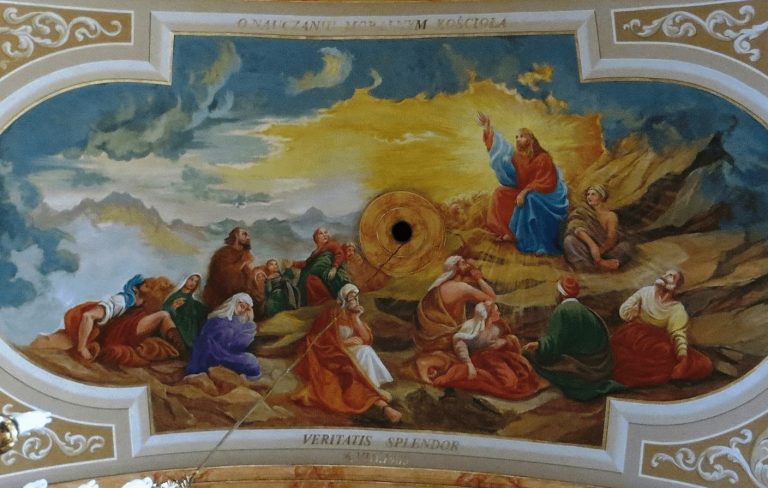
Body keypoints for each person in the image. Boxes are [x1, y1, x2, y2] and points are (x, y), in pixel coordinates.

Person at [292, 284, 401, 423]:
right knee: (359, 358)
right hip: (332, 354)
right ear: (343, 298)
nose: (354, 301)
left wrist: (356, 318)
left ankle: (372, 387)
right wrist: (343, 343)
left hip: (349, 352)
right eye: (351, 298)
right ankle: (373, 392)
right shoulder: (332, 314)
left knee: (366, 350)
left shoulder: (352, 315)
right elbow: (319, 339)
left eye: (356, 297)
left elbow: (366, 339)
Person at [476, 112, 568, 255]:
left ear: (531, 139)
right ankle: (508, 233)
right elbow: (501, 151)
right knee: (500, 193)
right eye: (517, 137)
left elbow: (547, 182)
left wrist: (525, 192)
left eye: (522, 136)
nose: (518, 139)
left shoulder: (543, 157)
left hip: (545, 195)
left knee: (530, 199)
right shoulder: (518, 157)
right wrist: (487, 128)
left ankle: (534, 243)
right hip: (525, 191)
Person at [523, 275, 625, 401]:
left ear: (561, 294)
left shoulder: (563, 310)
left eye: (556, 292)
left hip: (584, 368)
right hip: (600, 366)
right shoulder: (586, 310)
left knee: (530, 356)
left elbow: (555, 345)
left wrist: (539, 345)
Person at [610, 270, 713, 387]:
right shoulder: (645, 292)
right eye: (665, 274)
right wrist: (629, 313)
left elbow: (678, 334)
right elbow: (624, 309)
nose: (664, 276)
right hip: (632, 334)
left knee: (674, 354)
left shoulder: (676, 309)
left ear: (675, 286)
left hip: (655, 340)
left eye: (670, 276)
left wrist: (683, 358)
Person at [431, 302, 547, 400]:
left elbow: (510, 339)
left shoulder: (499, 325)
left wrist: (504, 342)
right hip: (481, 360)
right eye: (496, 311)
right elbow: (460, 345)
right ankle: (471, 375)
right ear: (488, 314)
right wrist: (469, 364)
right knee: (508, 384)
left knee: (521, 369)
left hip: (499, 356)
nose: (499, 313)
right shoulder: (471, 327)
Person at [64, 276, 184, 366]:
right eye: (147, 284)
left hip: (127, 331)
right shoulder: (121, 300)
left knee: (163, 315)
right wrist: (82, 347)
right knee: (163, 315)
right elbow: (88, 316)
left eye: (151, 286)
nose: (146, 284)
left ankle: (180, 349)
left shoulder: (142, 305)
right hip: (118, 334)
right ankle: (182, 351)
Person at [412, 255, 496, 384]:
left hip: (434, 337)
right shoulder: (461, 288)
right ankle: (425, 363)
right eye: (463, 263)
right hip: (445, 337)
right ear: (455, 268)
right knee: (462, 358)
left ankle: (433, 363)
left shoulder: (442, 286)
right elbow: (491, 298)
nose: (468, 264)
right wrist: (479, 279)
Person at [186, 293, 262, 379]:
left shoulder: (239, 322)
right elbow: (206, 342)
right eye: (242, 306)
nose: (243, 310)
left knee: (251, 361)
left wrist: (250, 321)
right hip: (211, 354)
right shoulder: (217, 319)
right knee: (249, 362)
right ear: (234, 303)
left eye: (246, 309)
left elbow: (240, 346)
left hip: (227, 354)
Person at [563, 185, 632, 271]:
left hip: (606, 250)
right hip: (588, 247)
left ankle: (603, 263)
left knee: (626, 247)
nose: (589, 197)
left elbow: (611, 238)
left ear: (601, 197)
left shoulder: (610, 215)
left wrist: (599, 252)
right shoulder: (582, 211)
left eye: (593, 194)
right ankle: (590, 265)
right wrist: (592, 246)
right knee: (569, 240)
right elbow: (575, 227)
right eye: (588, 194)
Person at [202, 227, 265, 313]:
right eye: (244, 234)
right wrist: (243, 262)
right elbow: (225, 277)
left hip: (241, 297)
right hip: (223, 299)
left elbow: (247, 278)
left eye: (248, 235)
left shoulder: (244, 254)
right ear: (236, 236)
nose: (248, 237)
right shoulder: (222, 253)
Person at [290, 227, 351, 306]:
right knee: (309, 279)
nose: (324, 235)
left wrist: (334, 267)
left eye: (326, 232)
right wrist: (293, 263)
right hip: (317, 274)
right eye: (321, 233)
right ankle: (318, 302)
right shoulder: (315, 252)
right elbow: (306, 263)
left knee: (312, 279)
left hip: (328, 273)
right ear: (316, 238)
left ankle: (327, 300)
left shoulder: (331, 245)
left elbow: (339, 254)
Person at [162, 273, 209, 349]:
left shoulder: (195, 299)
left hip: (191, 331)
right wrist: (173, 307)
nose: (193, 283)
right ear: (185, 279)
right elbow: (164, 310)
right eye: (191, 279)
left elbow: (201, 314)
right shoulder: (175, 295)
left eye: (196, 281)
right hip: (178, 326)